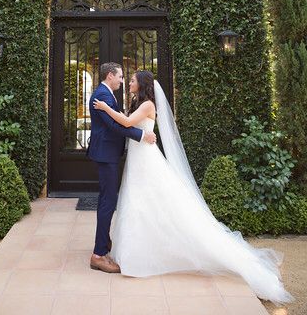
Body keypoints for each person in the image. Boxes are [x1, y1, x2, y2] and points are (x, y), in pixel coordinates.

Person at [93, 69, 295, 306]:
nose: (129, 82)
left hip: (146, 160)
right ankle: (140, 251)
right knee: (139, 204)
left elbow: (126, 122)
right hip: (138, 158)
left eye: (133, 80)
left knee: (153, 202)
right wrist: (131, 126)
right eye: (126, 79)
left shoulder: (147, 104)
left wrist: (107, 109)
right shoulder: (138, 101)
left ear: (143, 84)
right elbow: (129, 124)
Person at [86, 62, 157, 274]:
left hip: (111, 153)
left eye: (129, 79)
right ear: (110, 76)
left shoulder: (107, 95)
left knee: (108, 200)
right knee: (108, 201)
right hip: (107, 154)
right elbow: (116, 125)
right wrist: (142, 135)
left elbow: (122, 121)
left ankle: (104, 243)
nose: (123, 80)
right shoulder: (103, 96)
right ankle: (98, 255)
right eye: (120, 77)